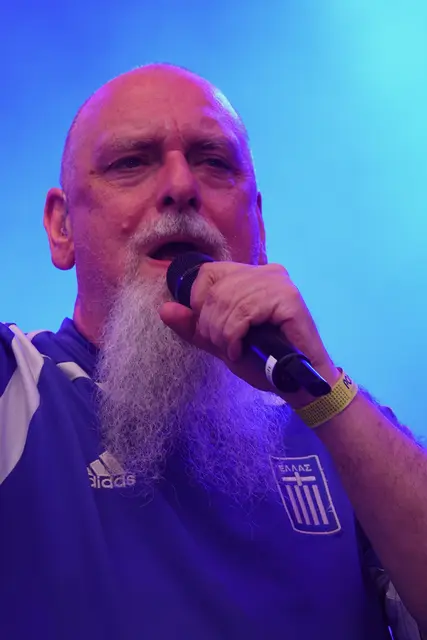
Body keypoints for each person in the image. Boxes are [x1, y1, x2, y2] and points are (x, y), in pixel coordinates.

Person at [0, 63, 425, 640]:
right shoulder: (17, 391)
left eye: (215, 163)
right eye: (131, 162)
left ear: (259, 224)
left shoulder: (339, 426)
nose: (181, 186)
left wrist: (325, 394)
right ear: (61, 227)